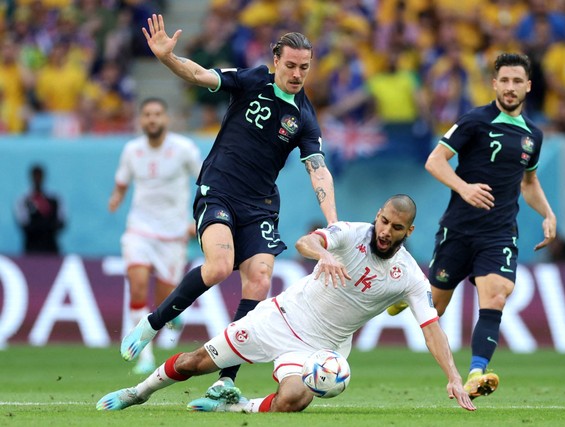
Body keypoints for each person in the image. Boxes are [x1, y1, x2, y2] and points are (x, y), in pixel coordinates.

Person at [119, 13, 338, 403]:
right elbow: (200, 75)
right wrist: (168, 58)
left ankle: (226, 381)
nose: (297, 73)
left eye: (304, 67)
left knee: (259, 279)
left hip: (261, 206)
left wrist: (334, 223)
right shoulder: (253, 79)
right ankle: (153, 324)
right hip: (218, 190)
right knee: (220, 266)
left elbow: (318, 171)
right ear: (276, 60)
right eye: (290, 65)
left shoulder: (304, 118)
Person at [96, 195, 476, 413]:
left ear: (408, 232)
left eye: (395, 228)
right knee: (196, 362)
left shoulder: (410, 276)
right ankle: (138, 393)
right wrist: (323, 255)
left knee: (294, 399)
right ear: (377, 215)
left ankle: (236, 407)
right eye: (383, 221)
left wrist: (454, 377)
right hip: (280, 318)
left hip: (322, 349)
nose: (384, 231)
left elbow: (432, 329)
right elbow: (306, 242)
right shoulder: (351, 234)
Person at [388, 53, 556, 400]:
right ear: (495, 84)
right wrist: (464, 188)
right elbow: (435, 161)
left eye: (516, 81)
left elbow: (529, 183)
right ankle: (408, 293)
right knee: (435, 304)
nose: (510, 88)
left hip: (499, 233)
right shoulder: (475, 121)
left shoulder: (533, 137)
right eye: (504, 81)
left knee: (496, 295)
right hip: (459, 230)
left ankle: (476, 372)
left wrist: (548, 214)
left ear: (528, 86)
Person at [108, 97, 201, 375]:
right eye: (147, 114)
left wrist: (197, 221)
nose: (152, 119)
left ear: (166, 119)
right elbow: (122, 182)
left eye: (157, 114)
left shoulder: (183, 149)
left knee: (165, 302)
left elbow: (206, 182)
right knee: (137, 287)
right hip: (139, 230)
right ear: (141, 120)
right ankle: (144, 355)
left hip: (173, 235)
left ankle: (173, 317)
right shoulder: (132, 150)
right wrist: (116, 198)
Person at [14, 164, 66, 254]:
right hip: (31, 248)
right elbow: (23, 223)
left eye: (39, 175)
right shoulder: (24, 200)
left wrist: (48, 227)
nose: (37, 179)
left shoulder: (54, 199)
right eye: (35, 176)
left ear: (44, 177)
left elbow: (62, 222)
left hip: (51, 247)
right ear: (31, 177)